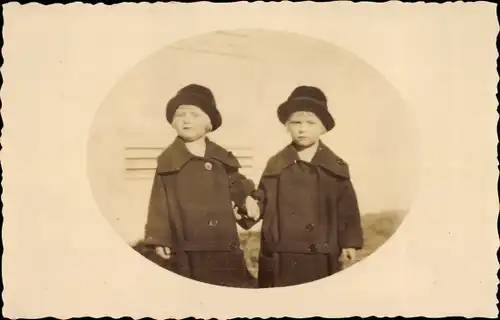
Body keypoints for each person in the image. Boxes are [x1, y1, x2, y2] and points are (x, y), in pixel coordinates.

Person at [142, 83, 260, 288]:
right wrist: (159, 237)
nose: (186, 119)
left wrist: (248, 196)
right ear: (172, 122)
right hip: (187, 243)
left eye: (194, 115)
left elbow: (237, 182)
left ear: (208, 123)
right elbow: (158, 203)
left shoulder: (221, 158)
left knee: (228, 285)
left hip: (223, 241)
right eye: (180, 115)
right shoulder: (168, 161)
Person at [252, 85, 364, 288]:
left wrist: (349, 242)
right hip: (281, 256)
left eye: (310, 123)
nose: (302, 129)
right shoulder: (276, 165)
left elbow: (347, 208)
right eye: (296, 123)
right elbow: (262, 199)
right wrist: (251, 206)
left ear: (323, 128)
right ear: (287, 126)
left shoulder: (335, 168)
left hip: (321, 255)